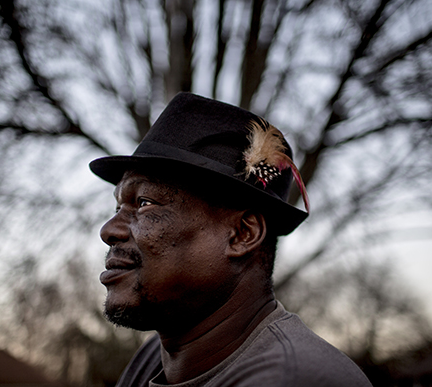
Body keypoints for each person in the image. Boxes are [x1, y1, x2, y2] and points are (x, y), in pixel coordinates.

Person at [89, 93, 372, 387]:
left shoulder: (297, 379)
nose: (109, 229)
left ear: (242, 234)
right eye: (118, 207)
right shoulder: (153, 358)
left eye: (145, 203)